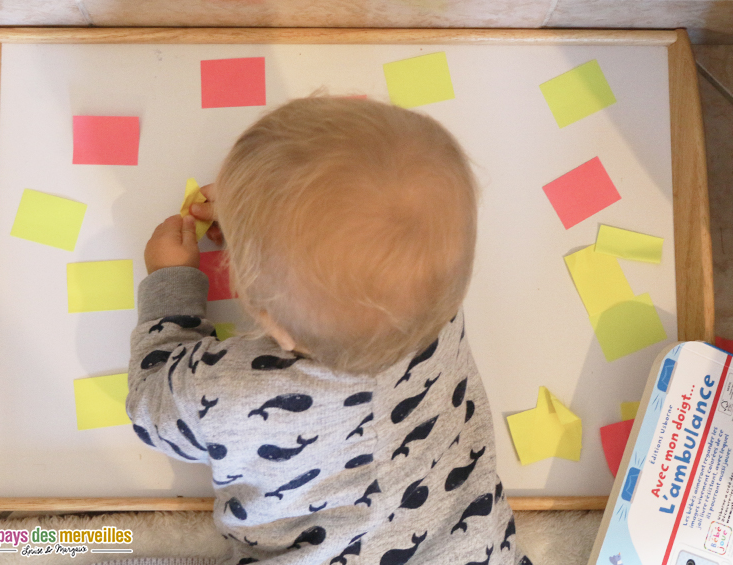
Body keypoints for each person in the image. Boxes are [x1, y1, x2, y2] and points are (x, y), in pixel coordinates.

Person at [127, 96, 530, 565]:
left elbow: (151, 405)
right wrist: (262, 224)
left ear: (270, 319)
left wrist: (169, 285)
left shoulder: (231, 389)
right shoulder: (433, 306)